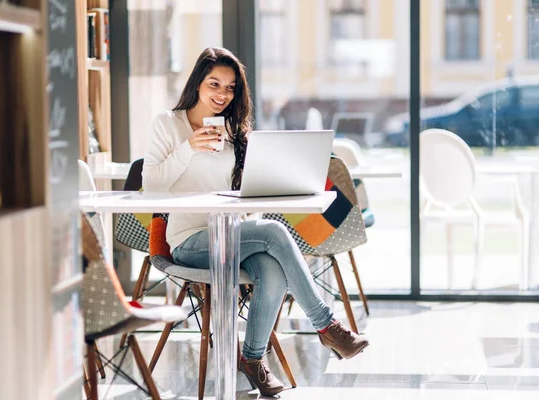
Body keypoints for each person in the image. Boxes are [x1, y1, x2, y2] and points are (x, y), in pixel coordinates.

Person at [142, 47, 369, 397]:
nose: (222, 94)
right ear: (197, 84)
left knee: (272, 269)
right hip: (189, 241)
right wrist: (188, 147)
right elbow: (152, 186)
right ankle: (327, 326)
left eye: (230, 88)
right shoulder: (168, 124)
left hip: (233, 233)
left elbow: (245, 190)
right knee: (276, 232)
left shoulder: (233, 129)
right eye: (214, 84)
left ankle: (253, 360)